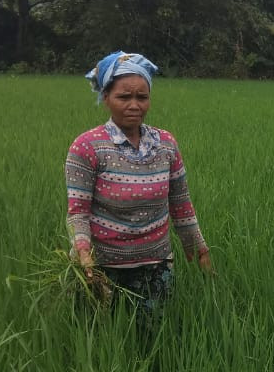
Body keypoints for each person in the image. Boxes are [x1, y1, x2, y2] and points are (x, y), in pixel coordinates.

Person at [65, 51, 211, 331]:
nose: (134, 105)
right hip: (103, 269)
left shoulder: (166, 144)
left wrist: (198, 248)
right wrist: (83, 253)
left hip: (156, 265)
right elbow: (78, 212)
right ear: (106, 97)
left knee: (155, 338)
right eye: (124, 97)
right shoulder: (86, 147)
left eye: (142, 97)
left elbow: (181, 204)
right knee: (103, 339)